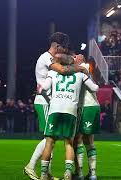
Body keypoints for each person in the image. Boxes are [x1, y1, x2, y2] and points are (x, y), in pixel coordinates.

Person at [24, 32, 87, 180]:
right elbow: (63, 70)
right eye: (63, 48)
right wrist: (78, 66)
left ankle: (47, 173)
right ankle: (30, 166)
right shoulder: (46, 57)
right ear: (57, 46)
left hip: (49, 102)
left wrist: (73, 59)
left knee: (52, 138)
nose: (64, 51)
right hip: (44, 101)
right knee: (49, 138)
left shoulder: (49, 57)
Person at [38, 67, 99, 180]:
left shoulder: (52, 73)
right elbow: (95, 88)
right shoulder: (80, 73)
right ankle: (71, 173)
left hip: (57, 109)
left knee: (50, 142)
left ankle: (44, 174)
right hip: (72, 109)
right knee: (71, 143)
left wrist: (43, 93)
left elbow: (42, 88)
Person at [74, 62, 100, 180]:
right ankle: (92, 173)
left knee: (78, 140)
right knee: (89, 141)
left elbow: (95, 88)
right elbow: (95, 87)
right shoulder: (86, 71)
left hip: (83, 107)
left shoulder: (77, 71)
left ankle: (79, 173)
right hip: (93, 106)